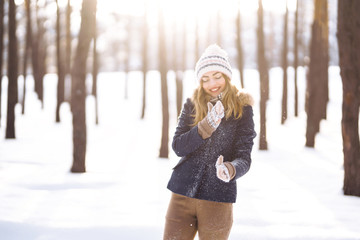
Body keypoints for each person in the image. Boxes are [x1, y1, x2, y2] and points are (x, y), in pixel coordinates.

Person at [163, 44, 256, 240]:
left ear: (227, 76)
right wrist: (204, 128)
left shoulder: (242, 109)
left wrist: (230, 169)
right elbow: (178, 146)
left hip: (217, 197)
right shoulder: (192, 104)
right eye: (205, 79)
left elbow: (244, 156)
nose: (211, 83)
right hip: (181, 194)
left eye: (217, 76)